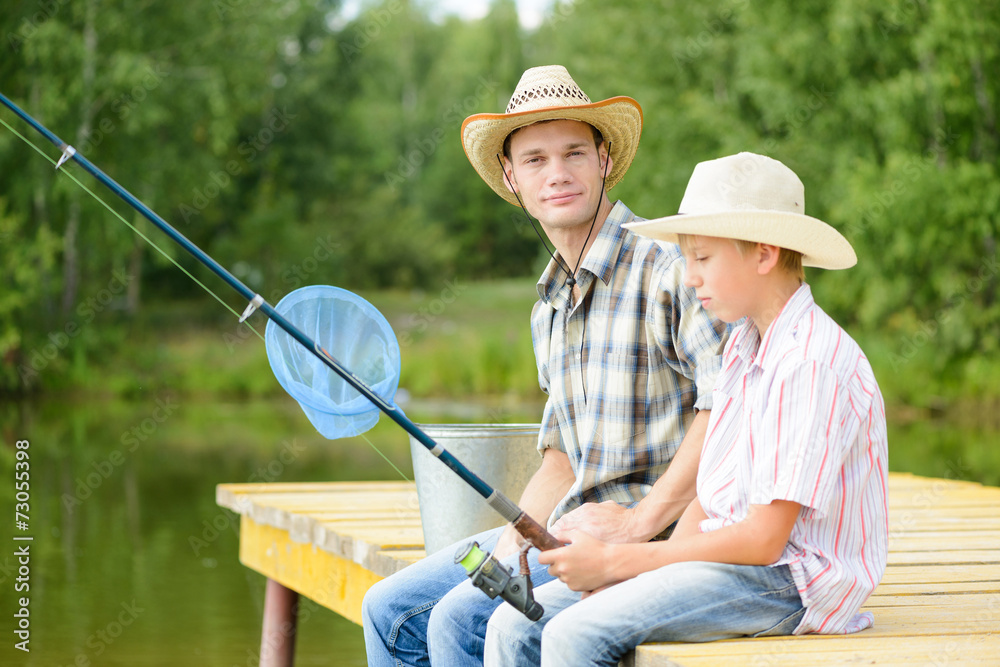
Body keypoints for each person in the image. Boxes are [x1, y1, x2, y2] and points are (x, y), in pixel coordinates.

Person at [362, 65, 729, 667]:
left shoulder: (668, 270)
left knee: (458, 620)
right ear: (511, 176)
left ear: (604, 158)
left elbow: (728, 407)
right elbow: (560, 456)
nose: (556, 173)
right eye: (534, 160)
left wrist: (638, 526)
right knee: (389, 609)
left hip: (660, 535)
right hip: (566, 528)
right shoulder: (549, 308)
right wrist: (514, 541)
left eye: (573, 153)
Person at [484, 152, 890, 666]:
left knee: (572, 636)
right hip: (727, 561)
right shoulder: (746, 345)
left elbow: (765, 541)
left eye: (702, 258)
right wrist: (636, 568)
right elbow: (711, 494)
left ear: (763, 254)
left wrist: (617, 561)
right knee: (516, 624)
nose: (690, 277)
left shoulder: (808, 362)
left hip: (790, 582)